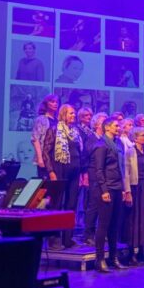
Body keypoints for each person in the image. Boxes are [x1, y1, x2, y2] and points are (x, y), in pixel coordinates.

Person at [42, 104, 83, 249]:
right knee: (57, 204)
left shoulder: (75, 131)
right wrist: (51, 171)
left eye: (74, 114)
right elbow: (45, 152)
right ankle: (54, 238)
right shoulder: (54, 129)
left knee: (71, 204)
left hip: (74, 171)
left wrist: (81, 173)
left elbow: (79, 152)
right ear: (63, 114)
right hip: (59, 169)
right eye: (71, 113)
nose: (74, 116)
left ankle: (68, 238)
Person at [92, 118, 127, 272]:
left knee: (115, 225)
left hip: (118, 186)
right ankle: (99, 260)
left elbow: (120, 167)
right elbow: (98, 170)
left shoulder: (118, 144)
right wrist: (104, 190)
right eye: (116, 126)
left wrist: (124, 189)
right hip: (106, 188)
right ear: (107, 127)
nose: (118, 128)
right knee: (103, 225)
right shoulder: (101, 145)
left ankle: (113, 257)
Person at [123, 127, 144, 265]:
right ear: (135, 138)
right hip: (135, 188)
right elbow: (126, 172)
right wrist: (128, 191)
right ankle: (132, 253)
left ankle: (142, 250)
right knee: (134, 220)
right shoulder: (130, 152)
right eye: (143, 135)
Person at [82, 112, 108, 245]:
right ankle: (88, 234)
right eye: (104, 121)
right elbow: (86, 157)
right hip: (93, 173)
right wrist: (85, 174)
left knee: (100, 205)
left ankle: (98, 233)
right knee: (92, 204)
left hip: (102, 174)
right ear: (97, 124)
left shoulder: (104, 139)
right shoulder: (91, 138)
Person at [31, 94, 59, 180]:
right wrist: (40, 158)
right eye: (52, 102)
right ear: (46, 104)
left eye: (56, 102)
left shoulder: (57, 120)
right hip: (45, 157)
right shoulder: (41, 119)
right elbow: (35, 139)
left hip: (55, 157)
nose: (55, 104)